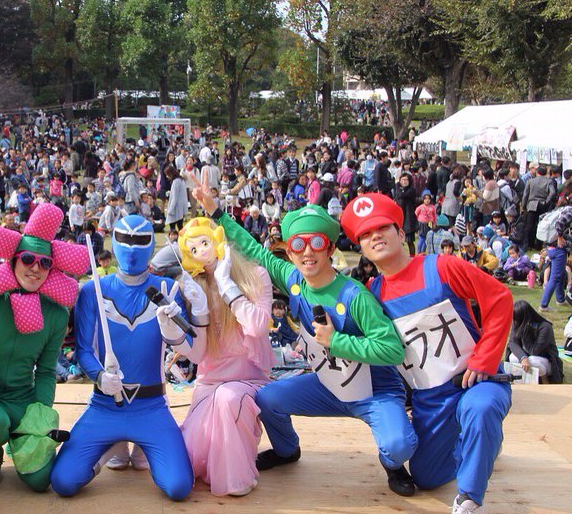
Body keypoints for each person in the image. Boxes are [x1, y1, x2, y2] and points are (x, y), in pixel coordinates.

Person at [190, 172, 417, 497]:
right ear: (291, 252)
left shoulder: (355, 297)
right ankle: (287, 450)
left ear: (329, 249)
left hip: (374, 393)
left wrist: (337, 342)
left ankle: (393, 462)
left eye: (316, 243)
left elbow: (392, 349)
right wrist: (214, 211)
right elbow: (254, 251)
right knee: (267, 398)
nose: (307, 252)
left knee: (399, 445)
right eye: (298, 244)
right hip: (326, 387)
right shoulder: (293, 279)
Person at [341, 192, 513, 514]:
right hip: (430, 399)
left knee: (482, 408)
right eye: (365, 234)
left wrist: (484, 358)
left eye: (382, 228)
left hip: (476, 381)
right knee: (426, 477)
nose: (375, 236)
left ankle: (470, 498)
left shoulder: (444, 267)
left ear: (401, 234)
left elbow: (500, 298)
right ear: (361, 248)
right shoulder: (371, 295)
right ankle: (483, 445)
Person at [50, 214, 197, 500]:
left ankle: (144, 447)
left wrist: (175, 333)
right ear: (113, 242)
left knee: (179, 487)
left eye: (140, 240)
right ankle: (110, 447)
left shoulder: (168, 288)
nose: (131, 248)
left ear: (152, 243)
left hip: (152, 407)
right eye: (125, 240)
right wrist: (100, 376)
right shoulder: (92, 290)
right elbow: (83, 349)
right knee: (63, 482)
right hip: (104, 406)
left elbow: (191, 347)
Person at [0, 203, 88, 490]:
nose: (35, 268)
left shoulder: (57, 314)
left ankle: (18, 442)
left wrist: (40, 414)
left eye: (44, 262)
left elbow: (47, 371)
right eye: (27, 259)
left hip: (23, 400)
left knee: (39, 482)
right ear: (12, 259)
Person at [171, 217, 273, 496]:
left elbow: (256, 326)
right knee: (186, 463)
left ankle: (237, 475)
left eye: (205, 243)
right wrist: (174, 333)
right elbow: (199, 353)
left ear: (218, 240)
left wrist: (226, 283)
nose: (202, 251)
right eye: (193, 249)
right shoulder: (195, 287)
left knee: (228, 398)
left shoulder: (256, 276)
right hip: (210, 383)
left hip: (248, 380)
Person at [507, 301, 563, 383]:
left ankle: (544, 378)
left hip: (544, 360)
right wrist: (523, 357)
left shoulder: (545, 327)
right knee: (513, 357)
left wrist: (525, 332)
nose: (514, 322)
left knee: (533, 360)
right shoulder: (518, 323)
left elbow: (534, 351)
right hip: (527, 357)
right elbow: (512, 343)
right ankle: (523, 378)